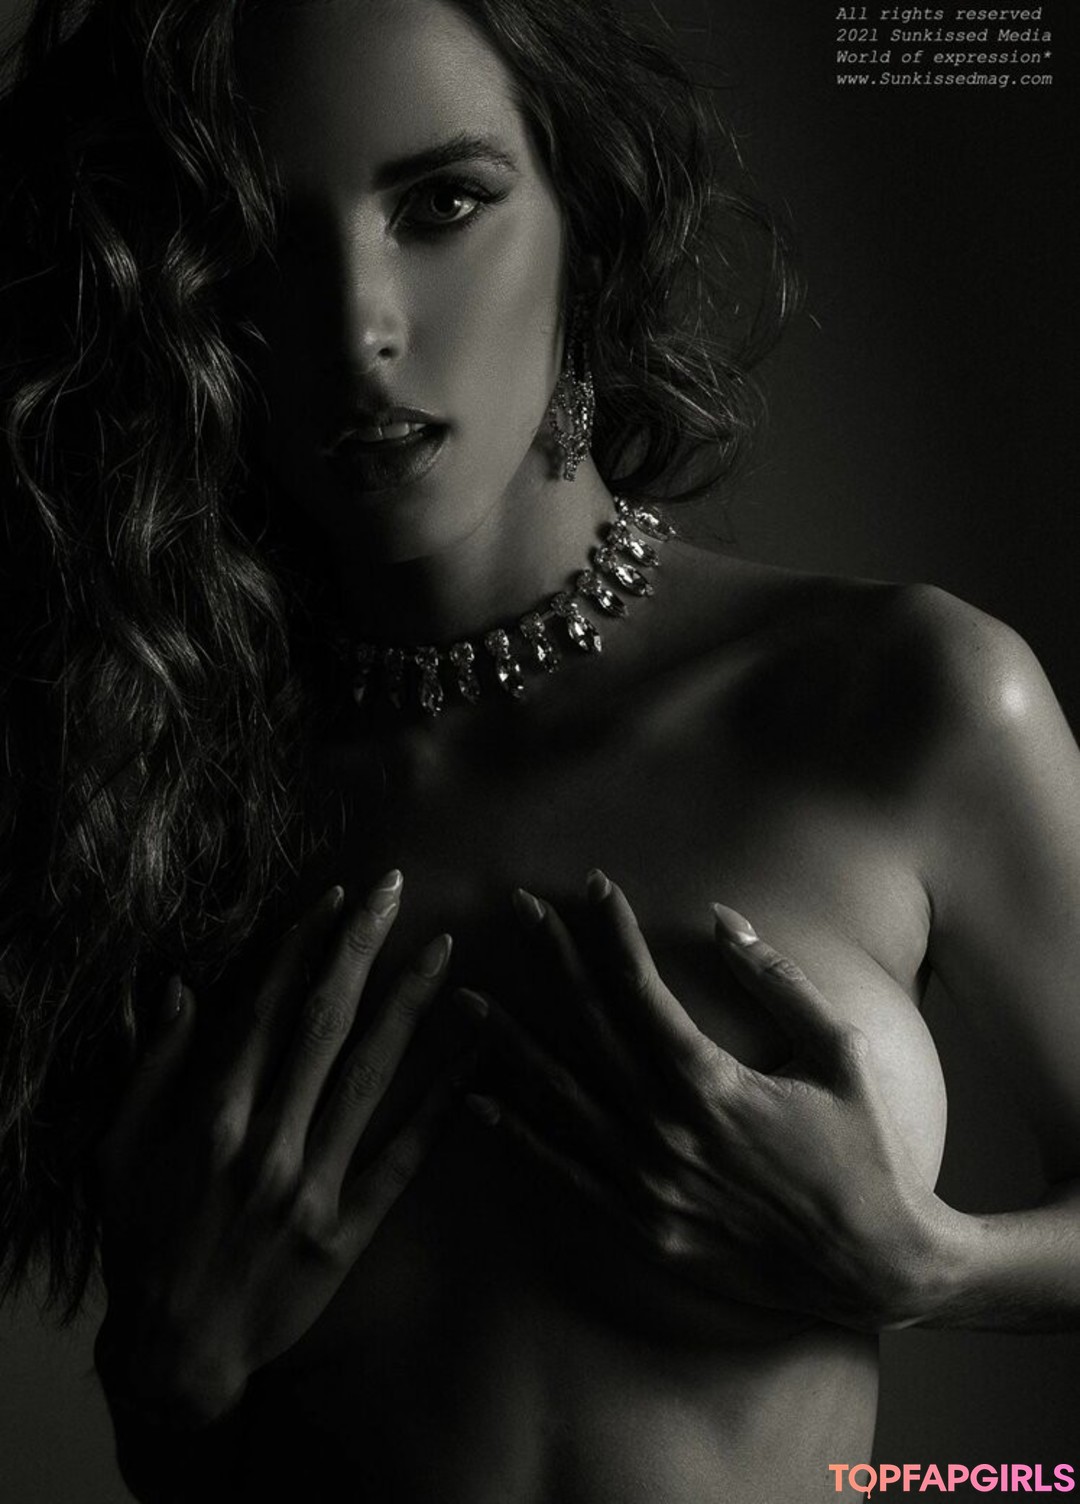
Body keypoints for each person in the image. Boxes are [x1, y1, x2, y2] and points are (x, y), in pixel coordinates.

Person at [1, 1, 1078, 1500]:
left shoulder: (900, 699)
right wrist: (165, 1386)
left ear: (589, 215)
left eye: (443, 203)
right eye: (258, 238)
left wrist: (928, 1263)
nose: (359, 328)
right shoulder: (150, 789)